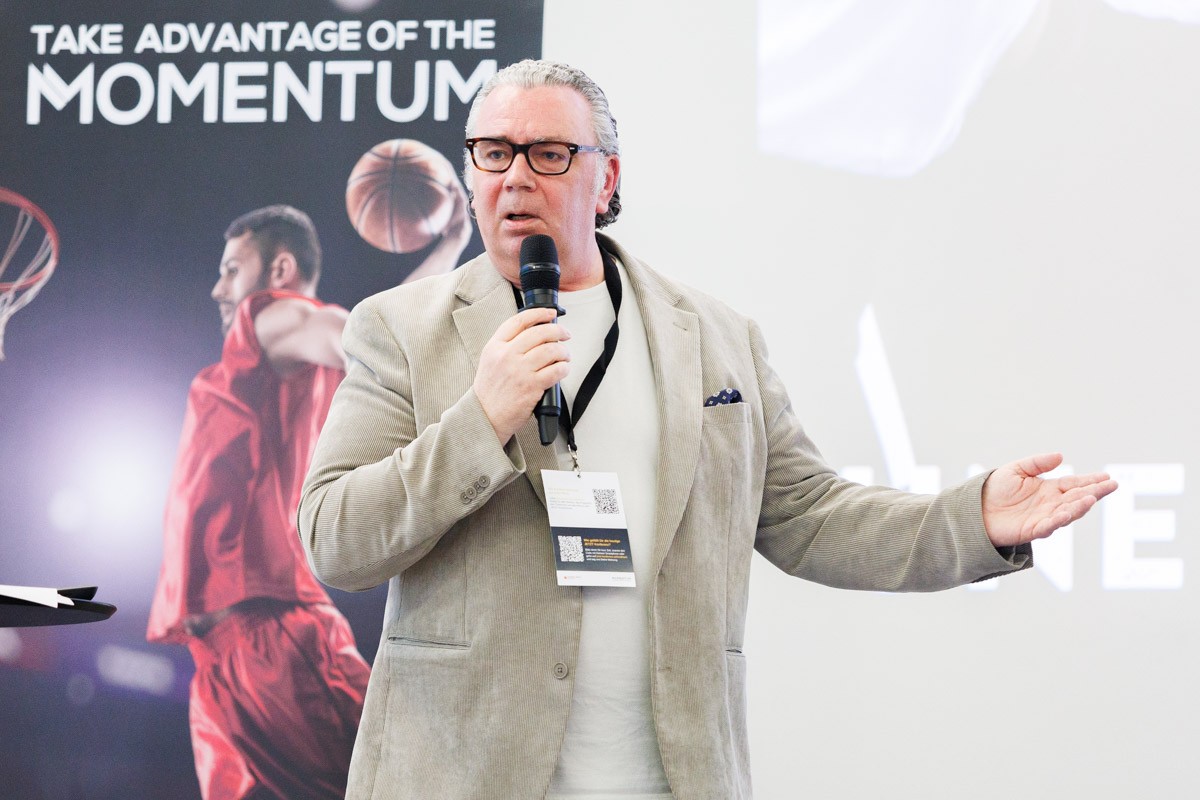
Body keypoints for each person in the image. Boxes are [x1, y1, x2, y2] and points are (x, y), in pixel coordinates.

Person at [297, 61, 1117, 800]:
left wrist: (972, 520)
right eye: (492, 152)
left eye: (548, 154)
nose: (515, 176)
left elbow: (811, 516)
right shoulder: (399, 329)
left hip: (672, 777)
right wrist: (480, 422)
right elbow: (335, 538)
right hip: (464, 775)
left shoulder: (717, 338)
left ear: (607, 178)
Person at [147, 200, 470, 800]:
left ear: (279, 271)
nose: (219, 288)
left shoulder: (268, 317)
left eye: (232, 270)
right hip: (216, 657)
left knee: (393, 786)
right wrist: (448, 246)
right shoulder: (272, 359)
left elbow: (362, 334)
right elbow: (381, 330)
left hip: (271, 638)